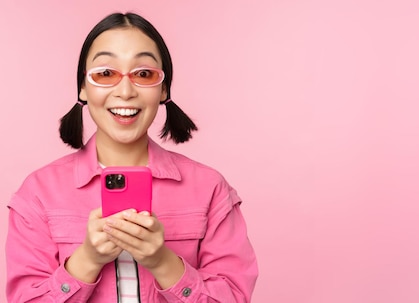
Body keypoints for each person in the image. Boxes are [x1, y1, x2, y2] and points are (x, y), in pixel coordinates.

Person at [5, 12, 258, 302]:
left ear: (163, 89)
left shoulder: (210, 189)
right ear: (83, 88)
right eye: (105, 73)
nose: (125, 92)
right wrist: (86, 260)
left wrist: (163, 261)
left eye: (143, 74)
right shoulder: (37, 194)